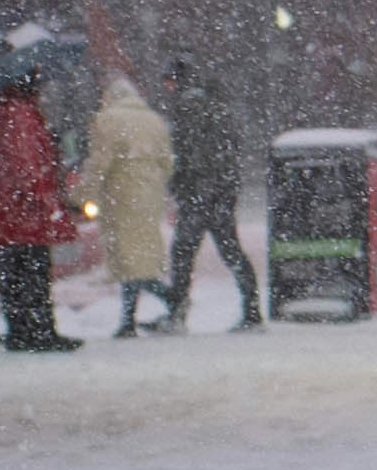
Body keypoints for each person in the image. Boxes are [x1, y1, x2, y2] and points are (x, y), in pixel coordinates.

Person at [0, 56, 86, 354]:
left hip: (7, 208)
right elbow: (27, 164)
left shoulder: (0, 110)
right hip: (25, 210)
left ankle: (22, 331)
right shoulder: (21, 113)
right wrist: (45, 194)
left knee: (16, 270)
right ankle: (38, 331)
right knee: (33, 271)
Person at [161, 69, 270, 332]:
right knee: (231, 251)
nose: (168, 88)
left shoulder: (190, 108)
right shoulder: (221, 111)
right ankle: (252, 311)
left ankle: (176, 315)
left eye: (169, 82)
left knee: (183, 253)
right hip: (221, 192)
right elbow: (230, 152)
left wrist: (179, 184)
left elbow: (187, 153)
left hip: (199, 193)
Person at [86, 66, 181, 336]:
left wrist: (81, 194)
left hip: (120, 196)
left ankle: (160, 302)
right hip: (149, 197)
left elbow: (99, 163)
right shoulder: (153, 120)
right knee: (140, 259)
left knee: (129, 261)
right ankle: (135, 316)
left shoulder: (108, 119)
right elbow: (167, 162)